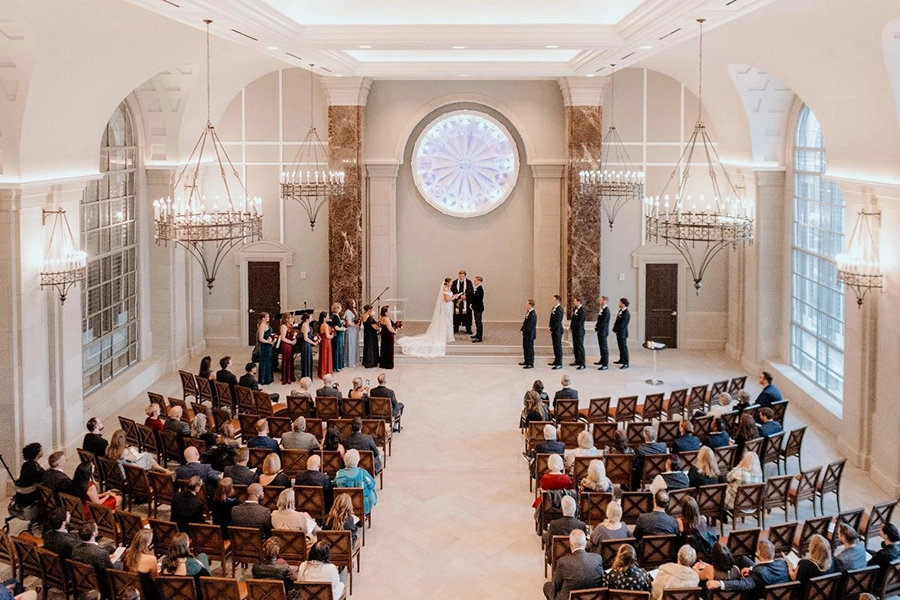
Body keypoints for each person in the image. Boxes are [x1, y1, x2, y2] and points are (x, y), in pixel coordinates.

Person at [707, 540, 789, 599]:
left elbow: (743, 584)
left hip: (756, 595)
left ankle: (723, 565)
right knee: (743, 559)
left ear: (759, 553)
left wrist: (720, 583)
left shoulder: (758, 574)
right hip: (779, 594)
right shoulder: (783, 563)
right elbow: (768, 569)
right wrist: (751, 569)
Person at [398, 278, 457, 358]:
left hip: (449, 306)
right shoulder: (445, 289)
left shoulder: (449, 288)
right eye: (451, 282)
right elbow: (446, 300)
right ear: (447, 282)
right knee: (445, 320)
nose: (452, 283)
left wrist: (453, 297)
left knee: (449, 321)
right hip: (446, 306)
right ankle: (444, 336)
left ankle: (448, 336)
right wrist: (454, 297)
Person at [543, 530, 604, 600]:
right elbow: (601, 580)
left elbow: (556, 585)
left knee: (547, 586)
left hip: (568, 598)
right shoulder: (597, 558)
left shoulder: (563, 562)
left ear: (570, 543)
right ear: (586, 542)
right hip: (593, 598)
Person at [72, 520, 121, 595]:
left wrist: (105, 558)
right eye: (97, 529)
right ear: (94, 533)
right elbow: (110, 572)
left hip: (83, 580)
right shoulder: (101, 554)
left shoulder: (75, 549)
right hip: (101, 584)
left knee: (109, 548)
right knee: (120, 564)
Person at [542, 496, 588, 562]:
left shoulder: (554, 524)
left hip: (557, 557)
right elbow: (584, 543)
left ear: (562, 510)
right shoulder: (581, 525)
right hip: (576, 558)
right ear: (575, 509)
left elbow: (549, 541)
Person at [333, 449, 378, 514]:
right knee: (370, 489)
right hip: (362, 506)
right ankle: (365, 515)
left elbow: (334, 484)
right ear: (357, 460)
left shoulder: (339, 474)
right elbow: (372, 484)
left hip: (343, 507)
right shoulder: (363, 473)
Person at [123, 529, 159, 600]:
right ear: (147, 543)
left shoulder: (128, 553)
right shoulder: (151, 559)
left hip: (133, 585)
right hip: (147, 591)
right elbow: (155, 578)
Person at [14, 443, 43, 507]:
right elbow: (42, 478)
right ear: (37, 453)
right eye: (41, 449)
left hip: (21, 495)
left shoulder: (26, 465)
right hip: (30, 496)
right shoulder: (35, 468)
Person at [256, 312, 277, 385]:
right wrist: (269, 342)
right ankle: (264, 379)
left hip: (268, 346)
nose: (269, 318)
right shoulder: (262, 326)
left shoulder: (266, 324)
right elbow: (261, 339)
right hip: (264, 346)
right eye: (267, 317)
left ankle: (269, 378)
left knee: (269, 362)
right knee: (265, 362)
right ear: (263, 318)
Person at [451, 270, 474, 334]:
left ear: (465, 276)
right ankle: (456, 328)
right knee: (456, 314)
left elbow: (470, 290)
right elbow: (453, 290)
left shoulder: (468, 282)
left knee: (467, 315)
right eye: (460, 276)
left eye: (463, 276)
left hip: (466, 301)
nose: (461, 277)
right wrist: (459, 296)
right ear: (458, 275)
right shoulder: (455, 282)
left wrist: (465, 296)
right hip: (457, 301)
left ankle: (468, 328)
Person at [279, 313, 298, 385]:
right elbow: (283, 338)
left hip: (290, 345)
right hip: (286, 345)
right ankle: (286, 378)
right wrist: (291, 342)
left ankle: (290, 377)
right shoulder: (283, 326)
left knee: (290, 360)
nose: (291, 319)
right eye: (290, 317)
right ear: (286, 319)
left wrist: (294, 339)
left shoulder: (290, 325)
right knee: (286, 361)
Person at [612, 298, 630, 369]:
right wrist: (614, 327)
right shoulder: (620, 311)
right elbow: (617, 320)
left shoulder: (626, 313)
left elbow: (623, 324)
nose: (619, 304)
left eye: (620, 302)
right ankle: (621, 359)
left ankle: (626, 362)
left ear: (623, 303)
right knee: (620, 346)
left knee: (623, 347)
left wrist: (617, 329)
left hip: (622, 333)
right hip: (619, 332)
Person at [298, 312, 316, 381]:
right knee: (306, 361)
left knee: (309, 360)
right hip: (306, 345)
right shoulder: (305, 325)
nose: (312, 318)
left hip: (308, 345)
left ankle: (309, 376)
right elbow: (305, 338)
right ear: (307, 319)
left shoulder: (307, 324)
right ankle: (306, 376)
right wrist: (313, 343)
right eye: (310, 317)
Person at [548, 294, 564, 369]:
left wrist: (552, 329)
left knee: (558, 347)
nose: (552, 301)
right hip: (554, 330)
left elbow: (557, 321)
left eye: (553, 299)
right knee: (555, 346)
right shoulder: (554, 308)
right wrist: (550, 326)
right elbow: (551, 319)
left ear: (557, 300)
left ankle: (559, 363)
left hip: (557, 330)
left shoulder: (559, 310)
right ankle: (556, 360)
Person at [569, 297, 586, 369]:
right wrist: (571, 326)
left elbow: (580, 322)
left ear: (579, 302)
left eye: (575, 301)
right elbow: (573, 319)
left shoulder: (582, 311)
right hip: (574, 331)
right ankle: (577, 360)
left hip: (579, 331)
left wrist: (573, 326)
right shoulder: (575, 309)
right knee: (575, 346)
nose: (574, 302)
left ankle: (582, 363)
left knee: (580, 347)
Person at [594, 296, 611, 370]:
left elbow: (603, 323)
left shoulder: (606, 311)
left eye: (600, 300)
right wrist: (596, 326)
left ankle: (605, 364)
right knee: (601, 346)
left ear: (604, 301)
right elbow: (599, 320)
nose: (599, 301)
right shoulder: (602, 309)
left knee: (604, 348)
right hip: (600, 331)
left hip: (603, 331)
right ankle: (602, 359)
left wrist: (598, 328)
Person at [329, 303, 346, 373]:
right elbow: (336, 328)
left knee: (339, 350)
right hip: (338, 336)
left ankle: (339, 365)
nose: (341, 309)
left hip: (339, 336)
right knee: (337, 351)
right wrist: (343, 329)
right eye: (340, 308)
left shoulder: (336, 316)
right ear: (337, 308)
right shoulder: (335, 317)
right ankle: (336, 366)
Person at [318, 311, 334, 379]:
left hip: (323, 342)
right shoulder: (326, 325)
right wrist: (332, 335)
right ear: (324, 318)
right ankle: (327, 371)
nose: (328, 317)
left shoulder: (321, 325)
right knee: (327, 356)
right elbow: (327, 336)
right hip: (327, 342)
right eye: (327, 316)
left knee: (323, 356)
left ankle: (322, 372)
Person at [520, 299, 537, 369]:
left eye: (527, 304)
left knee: (529, 348)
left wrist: (524, 331)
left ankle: (530, 363)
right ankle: (526, 360)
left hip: (530, 334)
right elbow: (525, 322)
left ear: (530, 305)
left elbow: (530, 325)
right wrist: (522, 329)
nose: (526, 305)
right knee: (525, 347)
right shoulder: (528, 312)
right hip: (526, 334)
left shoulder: (532, 314)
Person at [344, 300, 360, 368]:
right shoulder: (348, 311)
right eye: (353, 303)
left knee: (354, 345)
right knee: (350, 345)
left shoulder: (354, 310)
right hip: (350, 329)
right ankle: (350, 362)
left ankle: (354, 361)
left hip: (354, 329)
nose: (355, 303)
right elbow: (349, 322)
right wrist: (355, 325)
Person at [471, 276, 485, 343]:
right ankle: (477, 334)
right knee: (477, 322)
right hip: (476, 307)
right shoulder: (477, 288)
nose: (474, 282)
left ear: (479, 281)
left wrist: (473, 305)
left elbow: (478, 300)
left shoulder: (480, 289)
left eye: (475, 281)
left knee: (479, 322)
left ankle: (479, 337)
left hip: (478, 308)